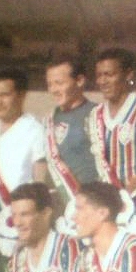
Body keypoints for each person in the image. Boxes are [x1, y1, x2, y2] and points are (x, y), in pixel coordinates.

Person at [0, 69, 48, 255]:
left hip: (18, 226)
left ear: (21, 95)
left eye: (5, 95)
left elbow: (40, 183)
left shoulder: (34, 130)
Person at [88, 48, 136, 204]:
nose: (103, 81)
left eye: (109, 75)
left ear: (128, 75)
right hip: (108, 201)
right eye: (99, 75)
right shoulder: (95, 115)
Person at [43, 57, 98, 230]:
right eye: (50, 84)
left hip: (87, 206)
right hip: (58, 207)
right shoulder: (49, 118)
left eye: (59, 83)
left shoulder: (96, 114)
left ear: (80, 81)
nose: (53, 90)